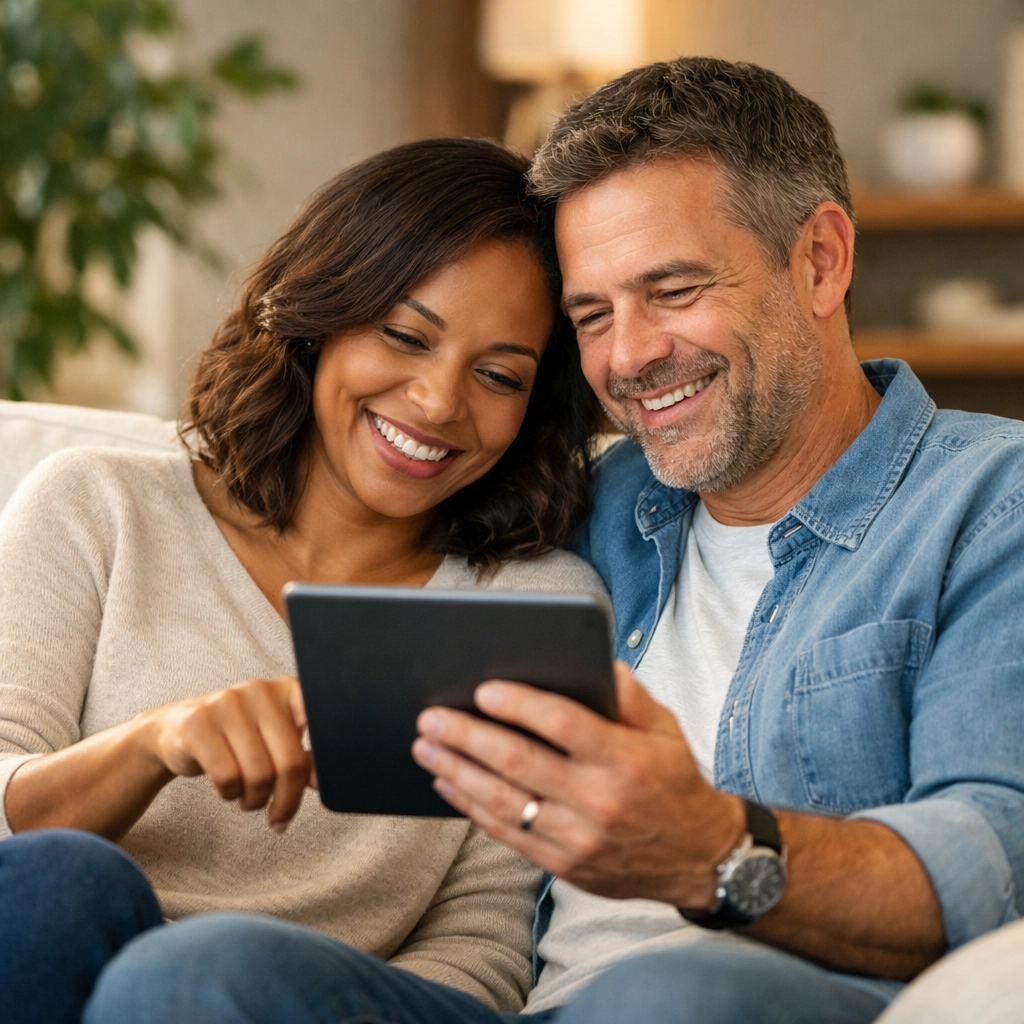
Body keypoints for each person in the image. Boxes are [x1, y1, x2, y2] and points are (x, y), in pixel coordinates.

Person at [86, 57, 1024, 1024]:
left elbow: (996, 856)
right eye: (591, 314)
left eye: (673, 289)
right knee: (195, 975)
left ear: (820, 259)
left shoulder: (988, 507)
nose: (628, 357)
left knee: (675, 994)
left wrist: (710, 848)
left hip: (750, 1001)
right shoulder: (576, 509)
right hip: (517, 1009)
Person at [0, 138, 606, 1024]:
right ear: (321, 315)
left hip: (317, 1007)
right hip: (58, 969)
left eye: (498, 375)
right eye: (404, 335)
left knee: (202, 975)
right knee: (60, 883)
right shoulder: (96, 507)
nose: (439, 402)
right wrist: (153, 745)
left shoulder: (535, 605)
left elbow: (484, 940)